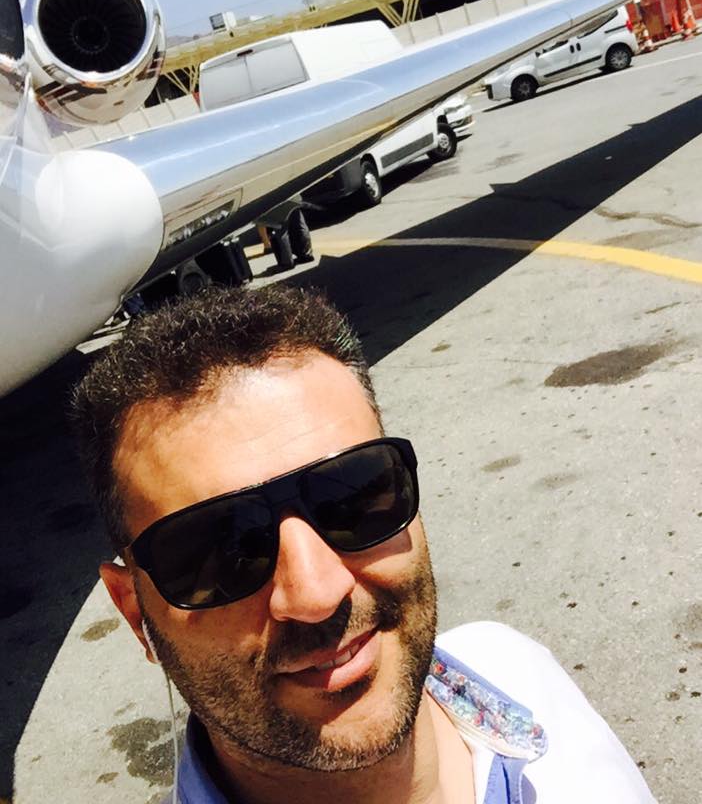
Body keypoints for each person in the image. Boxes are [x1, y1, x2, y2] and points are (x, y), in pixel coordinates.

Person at [70, 286, 654, 804]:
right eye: (222, 548)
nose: (316, 593)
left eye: (353, 495)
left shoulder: (519, 671)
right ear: (135, 613)